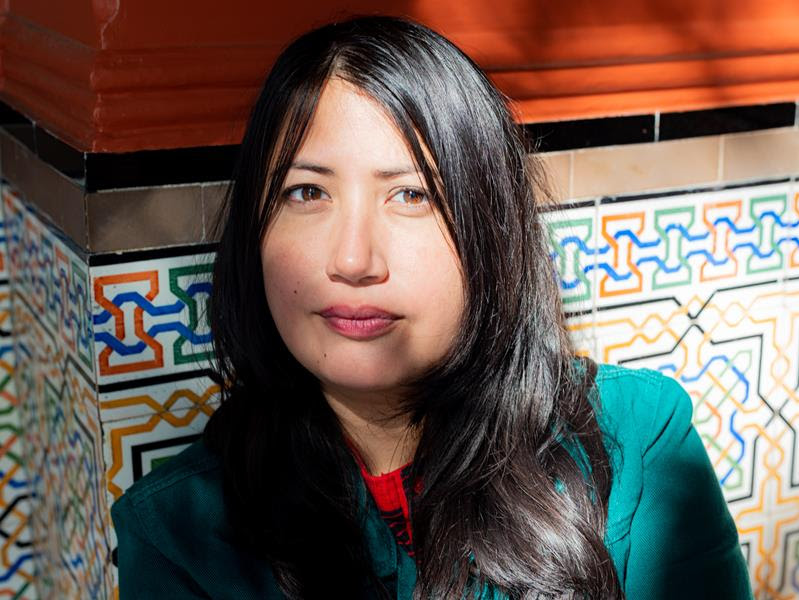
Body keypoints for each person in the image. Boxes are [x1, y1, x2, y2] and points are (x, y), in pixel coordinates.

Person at [111, 15, 752, 599]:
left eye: (412, 195)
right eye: (307, 192)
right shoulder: (177, 535)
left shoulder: (638, 439)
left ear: (488, 231)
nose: (355, 259)